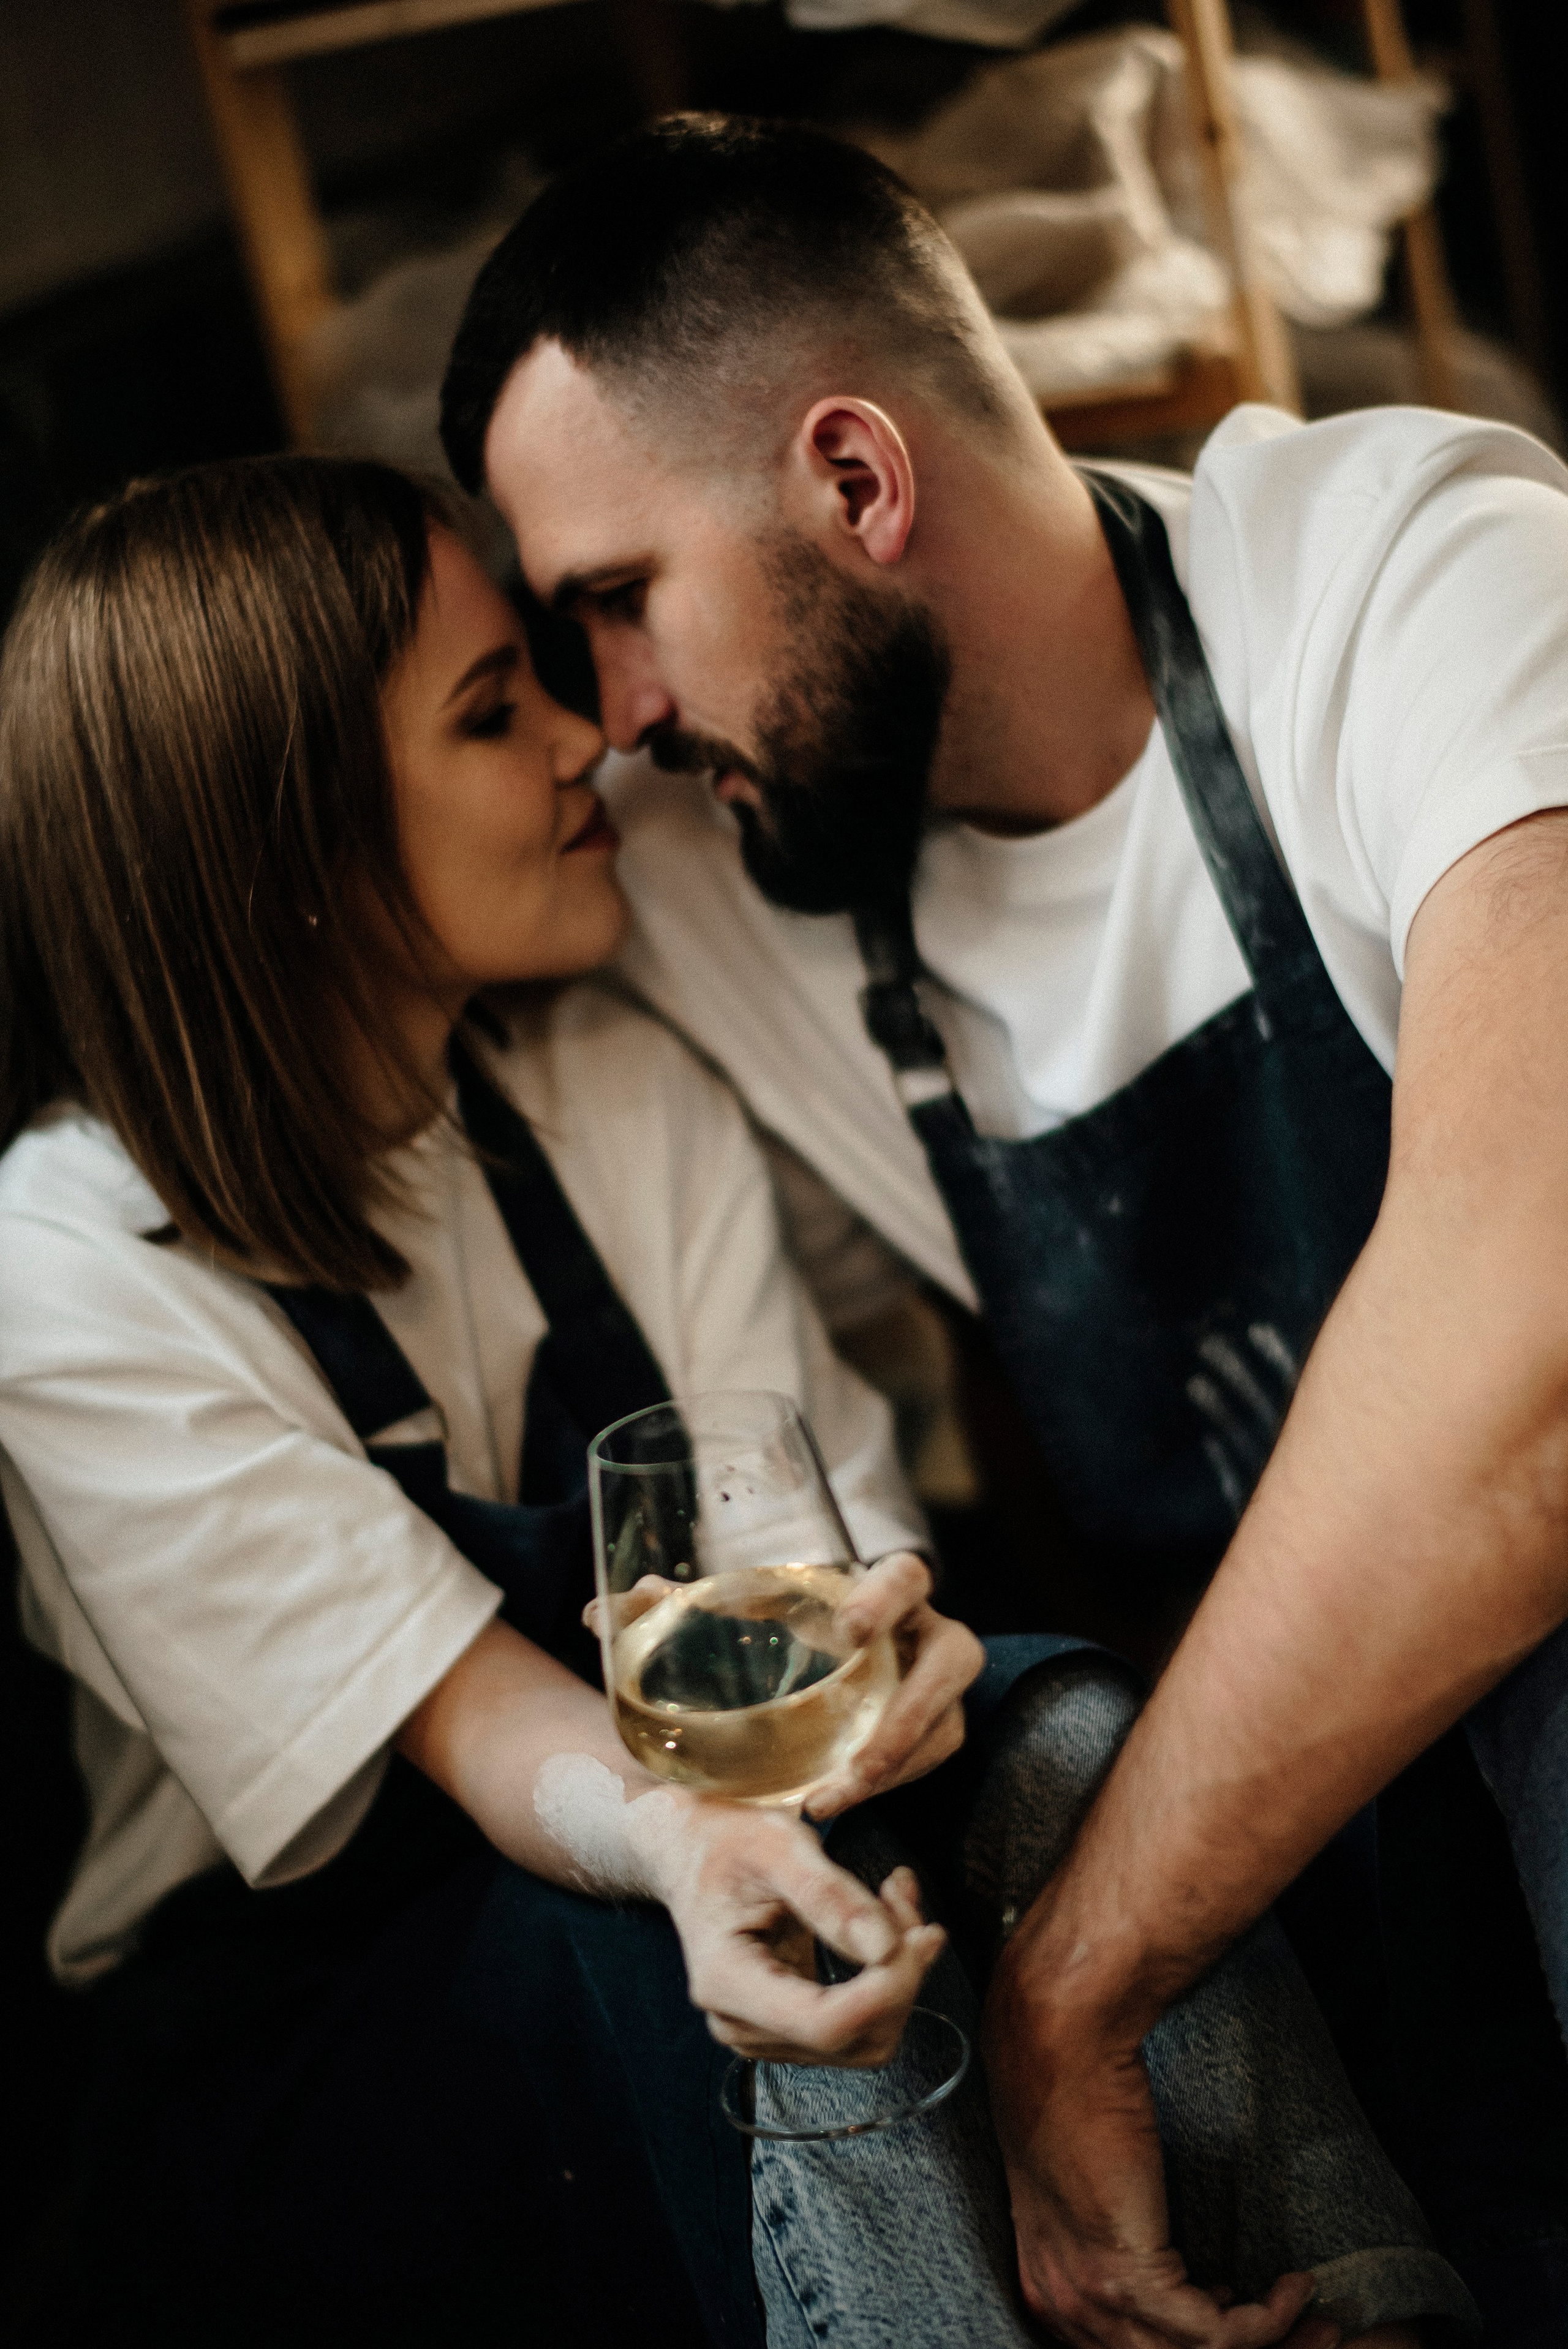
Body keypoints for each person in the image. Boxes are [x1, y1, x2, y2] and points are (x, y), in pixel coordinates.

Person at [0, 456, 1471, 2348]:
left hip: (651, 1828)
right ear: (292, 858)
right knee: (702, 1935)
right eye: (492, 712)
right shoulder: (67, 1264)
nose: (585, 744)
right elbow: (460, 1712)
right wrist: (701, 1843)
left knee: (1053, 1728)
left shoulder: (620, 1092)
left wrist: (899, 1646)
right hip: (307, 2033)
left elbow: (801, 1549)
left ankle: (1334, 2303)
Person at [438, 112, 1568, 2346]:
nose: (618, 723)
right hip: (1287, 1827)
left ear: (857, 484)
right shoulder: (716, 869)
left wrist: (1077, 1987)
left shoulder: (1414, 567)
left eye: (617, 602)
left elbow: (1530, 1338)